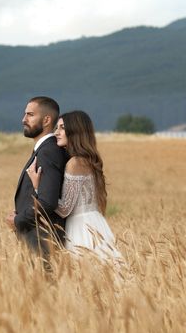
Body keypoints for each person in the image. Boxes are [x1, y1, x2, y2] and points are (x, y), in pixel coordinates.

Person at [26, 110, 123, 263]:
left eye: (62, 128)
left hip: (81, 229)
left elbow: (64, 209)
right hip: (95, 224)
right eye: (56, 127)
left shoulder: (75, 163)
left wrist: (39, 187)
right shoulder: (86, 160)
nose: (56, 132)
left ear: (76, 132)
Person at [6, 96, 68, 260]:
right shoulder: (46, 149)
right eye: (25, 114)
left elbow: (48, 201)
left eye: (30, 115)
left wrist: (19, 220)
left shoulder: (48, 151)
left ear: (46, 119)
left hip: (42, 242)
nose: (23, 119)